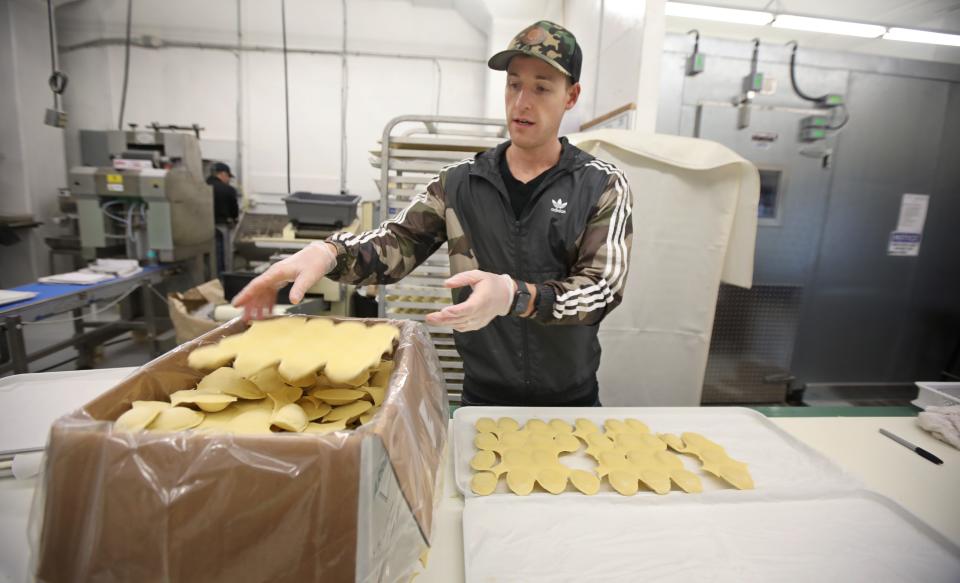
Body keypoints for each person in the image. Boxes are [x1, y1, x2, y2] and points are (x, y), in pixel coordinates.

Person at [234, 20, 633, 407]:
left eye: (542, 88)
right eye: (514, 84)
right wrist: (329, 253)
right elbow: (396, 244)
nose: (522, 102)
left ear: (571, 96)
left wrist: (515, 295)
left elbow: (601, 289)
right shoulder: (460, 183)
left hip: (570, 401)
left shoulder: (600, 185)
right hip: (482, 399)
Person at [206, 161, 240, 273]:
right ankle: (222, 279)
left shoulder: (203, 186)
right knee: (223, 256)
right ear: (223, 174)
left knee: (207, 257)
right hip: (221, 227)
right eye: (228, 177)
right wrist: (234, 219)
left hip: (202, 229)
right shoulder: (228, 190)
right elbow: (234, 212)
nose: (228, 180)